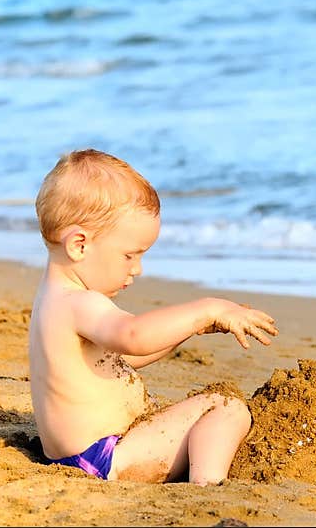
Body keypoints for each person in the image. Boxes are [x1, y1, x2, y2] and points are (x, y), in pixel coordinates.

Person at [28, 148, 278, 485]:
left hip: (80, 458)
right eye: (129, 255)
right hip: (106, 459)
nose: (137, 269)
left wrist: (192, 329)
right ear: (80, 246)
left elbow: (122, 357)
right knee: (226, 406)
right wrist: (206, 308)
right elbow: (134, 336)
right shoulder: (79, 303)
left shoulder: (53, 300)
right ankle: (207, 486)